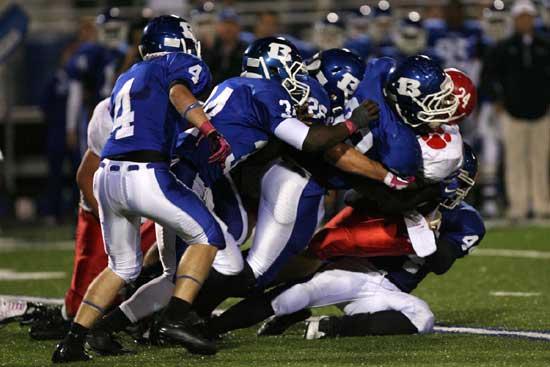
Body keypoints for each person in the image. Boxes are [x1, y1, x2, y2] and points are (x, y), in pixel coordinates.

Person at [52, 15, 231, 362]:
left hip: (107, 175)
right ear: (178, 42)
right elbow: (179, 92)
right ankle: (177, 318)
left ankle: (72, 342)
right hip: (145, 172)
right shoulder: (180, 64)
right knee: (208, 235)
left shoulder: (126, 76)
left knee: (121, 267)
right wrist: (209, 130)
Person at [482, 0, 550, 220]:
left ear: (533, 19)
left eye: (528, 17)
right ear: (515, 19)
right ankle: (518, 206)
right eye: (521, 17)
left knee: (540, 160)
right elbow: (489, 77)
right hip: (512, 113)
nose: (525, 21)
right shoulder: (502, 47)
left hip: (542, 111)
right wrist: (497, 101)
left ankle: (542, 204)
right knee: (514, 161)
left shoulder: (545, 44)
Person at [202, 8, 248, 86]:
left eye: (232, 24)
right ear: (218, 27)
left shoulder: (246, 50)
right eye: (224, 24)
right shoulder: (209, 49)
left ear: (239, 27)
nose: (228, 28)